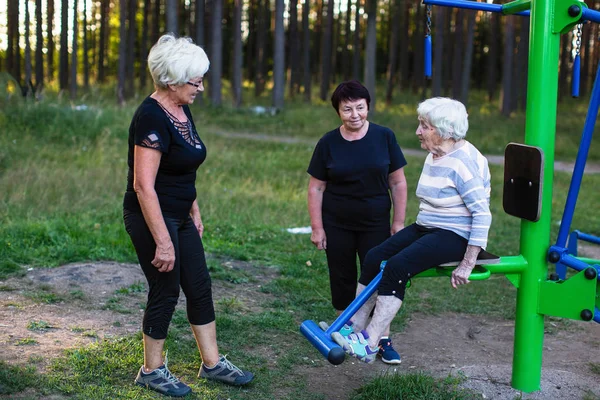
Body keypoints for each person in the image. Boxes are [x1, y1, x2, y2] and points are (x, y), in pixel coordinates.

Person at [123, 34, 254, 397]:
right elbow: (143, 185)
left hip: (180, 214)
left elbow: (182, 167)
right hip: (151, 216)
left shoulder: (181, 109)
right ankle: (151, 370)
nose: (200, 87)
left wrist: (193, 208)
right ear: (171, 80)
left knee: (198, 284)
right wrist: (163, 241)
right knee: (166, 288)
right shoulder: (150, 117)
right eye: (194, 80)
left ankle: (211, 364)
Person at [331, 97, 492, 364]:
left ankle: (371, 343)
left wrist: (467, 262)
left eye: (424, 126)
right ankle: (354, 326)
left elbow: (482, 213)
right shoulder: (437, 153)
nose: (418, 131)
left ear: (445, 131)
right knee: (374, 256)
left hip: (455, 235)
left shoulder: (463, 163)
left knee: (397, 266)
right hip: (427, 226)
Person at [307, 80, 408, 364]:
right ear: (338, 111)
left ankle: (381, 339)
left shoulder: (384, 137)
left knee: (377, 278)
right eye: (347, 109)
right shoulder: (328, 142)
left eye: (360, 108)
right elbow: (316, 187)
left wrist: (398, 223)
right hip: (336, 222)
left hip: (376, 223)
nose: (354, 115)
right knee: (341, 276)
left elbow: (398, 183)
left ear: (368, 107)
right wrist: (317, 227)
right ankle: (344, 329)